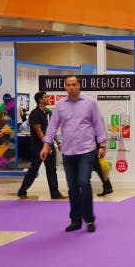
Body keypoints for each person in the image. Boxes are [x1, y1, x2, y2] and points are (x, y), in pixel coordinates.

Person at [41, 76, 107, 233]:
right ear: (65, 87)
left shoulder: (90, 103)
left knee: (84, 182)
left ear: (79, 86)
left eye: (74, 84)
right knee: (72, 188)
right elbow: (52, 127)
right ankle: (76, 220)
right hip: (68, 152)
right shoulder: (60, 105)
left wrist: (102, 144)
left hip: (86, 150)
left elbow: (98, 123)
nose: (71, 87)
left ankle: (89, 219)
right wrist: (45, 145)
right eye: (68, 85)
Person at [16, 92, 64, 200]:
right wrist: (45, 145)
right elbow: (38, 131)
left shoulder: (49, 112)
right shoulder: (34, 113)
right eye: (45, 97)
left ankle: (55, 194)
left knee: (51, 170)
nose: (48, 98)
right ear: (40, 100)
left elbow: (52, 130)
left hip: (49, 146)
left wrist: (58, 142)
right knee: (33, 170)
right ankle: (22, 190)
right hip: (38, 148)